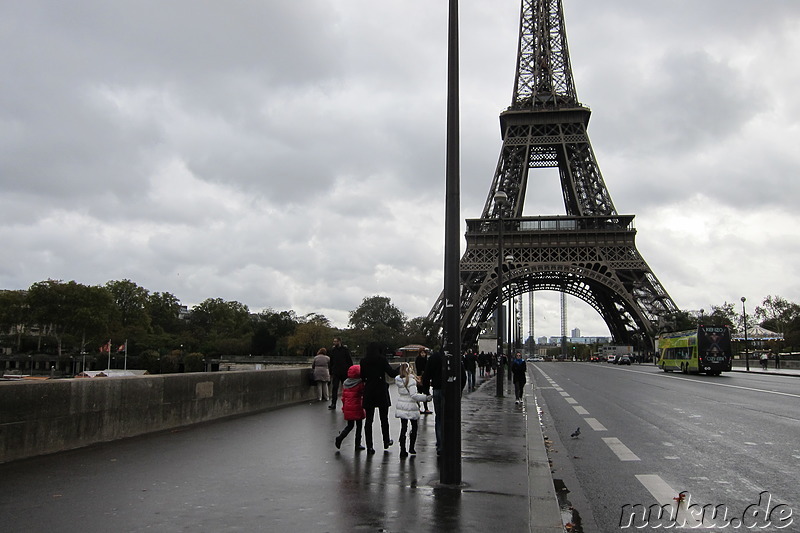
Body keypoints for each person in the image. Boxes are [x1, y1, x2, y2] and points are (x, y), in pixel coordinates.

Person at [360, 342, 399, 454]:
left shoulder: (363, 361)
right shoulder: (382, 359)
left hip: (369, 390)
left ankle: (369, 446)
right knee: (384, 419)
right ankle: (386, 441)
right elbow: (391, 373)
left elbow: (362, 377)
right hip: (381, 390)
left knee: (369, 420)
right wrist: (399, 368)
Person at [394, 362, 432, 458]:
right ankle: (411, 448)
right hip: (411, 406)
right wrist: (426, 398)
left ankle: (402, 450)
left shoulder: (399, 380)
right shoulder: (411, 381)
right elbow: (414, 395)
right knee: (414, 427)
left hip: (402, 405)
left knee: (403, 428)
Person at [334, 364, 366, 452]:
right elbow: (363, 393)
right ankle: (357, 444)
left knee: (350, 426)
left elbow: (343, 397)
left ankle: (340, 438)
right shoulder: (360, 383)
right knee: (359, 426)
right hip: (357, 406)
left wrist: (344, 408)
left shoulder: (346, 383)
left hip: (348, 407)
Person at [422, 349, 443, 455]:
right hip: (451, 391)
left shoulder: (434, 357)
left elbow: (426, 376)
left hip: (437, 389)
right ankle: (450, 443)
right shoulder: (455, 355)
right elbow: (463, 376)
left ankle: (440, 445)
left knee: (439, 418)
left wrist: (426, 391)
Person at [328, 337, 353, 410]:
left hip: (344, 372)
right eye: (334, 341)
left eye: (335, 341)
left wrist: (350, 371)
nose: (334, 343)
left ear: (339, 342)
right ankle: (333, 403)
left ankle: (346, 403)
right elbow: (331, 361)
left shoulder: (345, 350)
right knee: (334, 388)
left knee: (345, 389)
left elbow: (349, 360)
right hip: (336, 372)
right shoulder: (333, 350)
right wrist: (331, 370)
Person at [414, 348, 432, 414]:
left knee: (423, 393)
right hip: (421, 378)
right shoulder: (420, 360)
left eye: (424, 353)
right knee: (422, 393)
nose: (423, 354)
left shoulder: (425, 360)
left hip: (423, 379)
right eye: (422, 353)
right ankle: (421, 408)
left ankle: (423, 408)